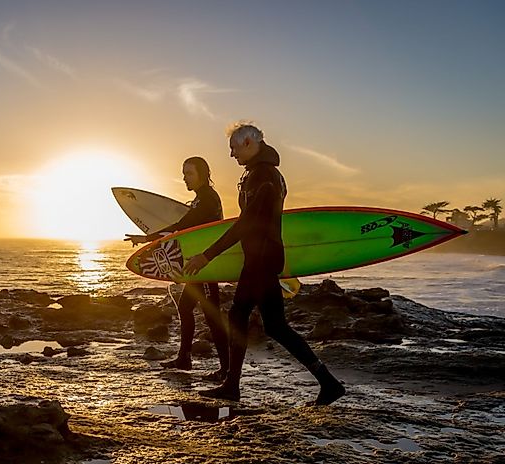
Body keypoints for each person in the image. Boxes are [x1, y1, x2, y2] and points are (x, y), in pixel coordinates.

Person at [184, 122, 345, 406]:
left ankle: (235, 385)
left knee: (257, 321)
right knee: (268, 324)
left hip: (261, 260)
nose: (232, 155)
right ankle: (325, 383)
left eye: (234, 148)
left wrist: (207, 256)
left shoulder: (265, 176)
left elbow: (247, 223)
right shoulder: (260, 174)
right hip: (260, 258)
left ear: (249, 143)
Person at [125, 157, 229, 378]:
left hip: (206, 266)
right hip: (197, 265)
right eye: (183, 174)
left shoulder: (207, 199)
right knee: (184, 308)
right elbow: (184, 229)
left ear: (202, 174)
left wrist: (147, 239)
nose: (184, 178)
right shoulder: (200, 199)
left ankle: (226, 369)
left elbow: (180, 228)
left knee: (212, 316)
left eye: (189, 173)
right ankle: (184, 358)